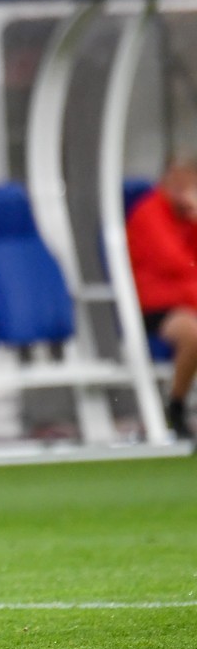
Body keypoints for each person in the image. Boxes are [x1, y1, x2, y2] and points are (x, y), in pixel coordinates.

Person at [126, 159, 197, 440]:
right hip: (155, 307)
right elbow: (176, 263)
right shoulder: (149, 214)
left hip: (187, 301)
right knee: (193, 333)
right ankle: (176, 405)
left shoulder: (185, 219)